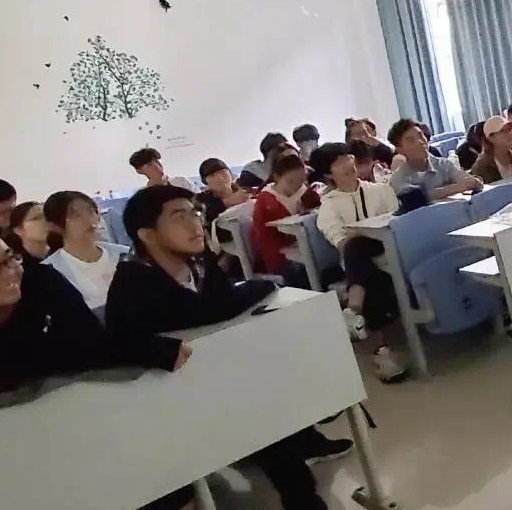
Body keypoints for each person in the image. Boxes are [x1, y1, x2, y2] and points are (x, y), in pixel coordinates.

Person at [107, 185, 351, 510]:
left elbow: (221, 304)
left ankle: (303, 469)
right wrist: (259, 287)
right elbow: (122, 342)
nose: (195, 223)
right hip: (166, 399)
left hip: (220, 376)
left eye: (195, 213)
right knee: (258, 406)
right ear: (148, 235)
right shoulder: (132, 281)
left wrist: (251, 293)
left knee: (268, 391)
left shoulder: (200, 261)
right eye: (179, 217)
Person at [0, 219, 188, 402]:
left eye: (9, 258)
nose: (9, 271)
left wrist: (151, 350)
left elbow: (89, 340)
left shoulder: (40, 282)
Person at [313, 144, 408, 383]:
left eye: (348, 157)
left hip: (392, 250)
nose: (348, 163)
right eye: (338, 162)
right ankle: (383, 351)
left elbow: (398, 224)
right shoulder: (329, 206)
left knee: (362, 256)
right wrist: (362, 233)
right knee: (362, 259)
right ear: (328, 174)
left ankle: (353, 310)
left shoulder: (381, 190)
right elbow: (341, 243)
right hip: (361, 262)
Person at [42, 191, 127, 314]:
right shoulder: (49, 271)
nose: (88, 219)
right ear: (54, 226)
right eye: (76, 215)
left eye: (91, 211)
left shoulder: (124, 254)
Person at [251, 154, 321, 281]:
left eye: (301, 181)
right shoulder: (266, 201)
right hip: (280, 256)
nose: (296, 186)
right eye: (291, 181)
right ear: (277, 177)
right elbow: (266, 240)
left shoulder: (303, 191)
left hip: (306, 247)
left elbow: (317, 206)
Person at [388, 118, 482, 199]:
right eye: (411, 140)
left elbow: (463, 178)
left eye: (420, 135)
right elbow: (420, 197)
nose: (420, 142)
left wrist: (473, 182)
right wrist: (456, 188)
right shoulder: (398, 178)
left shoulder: (443, 164)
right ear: (400, 149)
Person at [195, 157, 251, 244]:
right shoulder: (201, 200)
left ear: (230, 173)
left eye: (222, 172)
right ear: (204, 181)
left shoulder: (244, 190)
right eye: (212, 175)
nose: (219, 177)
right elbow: (200, 217)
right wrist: (226, 202)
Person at [471, 116, 512, 184]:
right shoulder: (482, 165)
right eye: (503, 131)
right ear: (490, 138)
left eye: (510, 129)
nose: (510, 133)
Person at [128, 148, 195, 191]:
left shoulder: (181, 181)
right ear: (139, 170)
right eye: (149, 164)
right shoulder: (142, 194)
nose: (157, 166)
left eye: (157, 161)